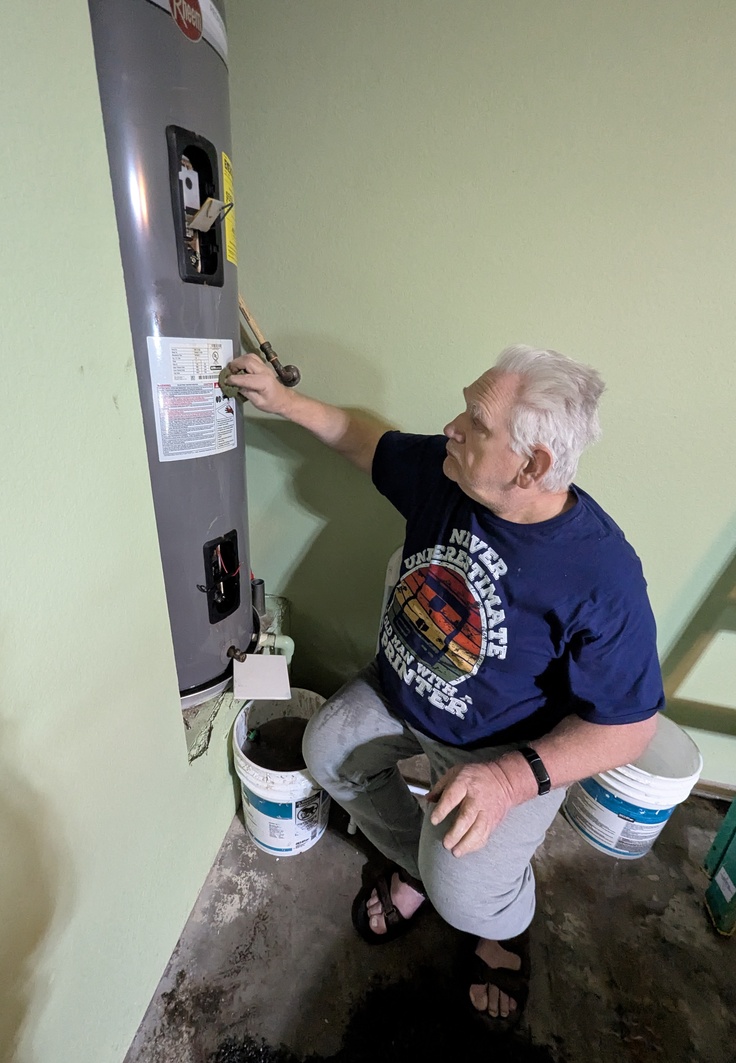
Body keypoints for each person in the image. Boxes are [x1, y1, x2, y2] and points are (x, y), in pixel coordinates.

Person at [224, 344, 664, 1031]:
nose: (452, 427)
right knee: (327, 748)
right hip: (401, 690)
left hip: (504, 749)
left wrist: (512, 780)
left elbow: (631, 726)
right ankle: (425, 871)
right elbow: (365, 440)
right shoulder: (447, 473)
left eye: (475, 422)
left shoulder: (600, 573)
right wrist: (286, 403)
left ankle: (501, 924)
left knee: (470, 901)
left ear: (533, 464)